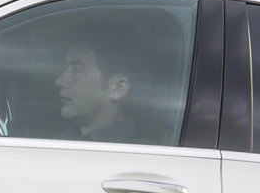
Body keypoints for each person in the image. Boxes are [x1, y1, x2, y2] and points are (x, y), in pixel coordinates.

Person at [50, 9, 187, 145]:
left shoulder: (139, 153)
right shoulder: (62, 138)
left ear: (118, 88)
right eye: (65, 68)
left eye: (78, 72)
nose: (59, 81)